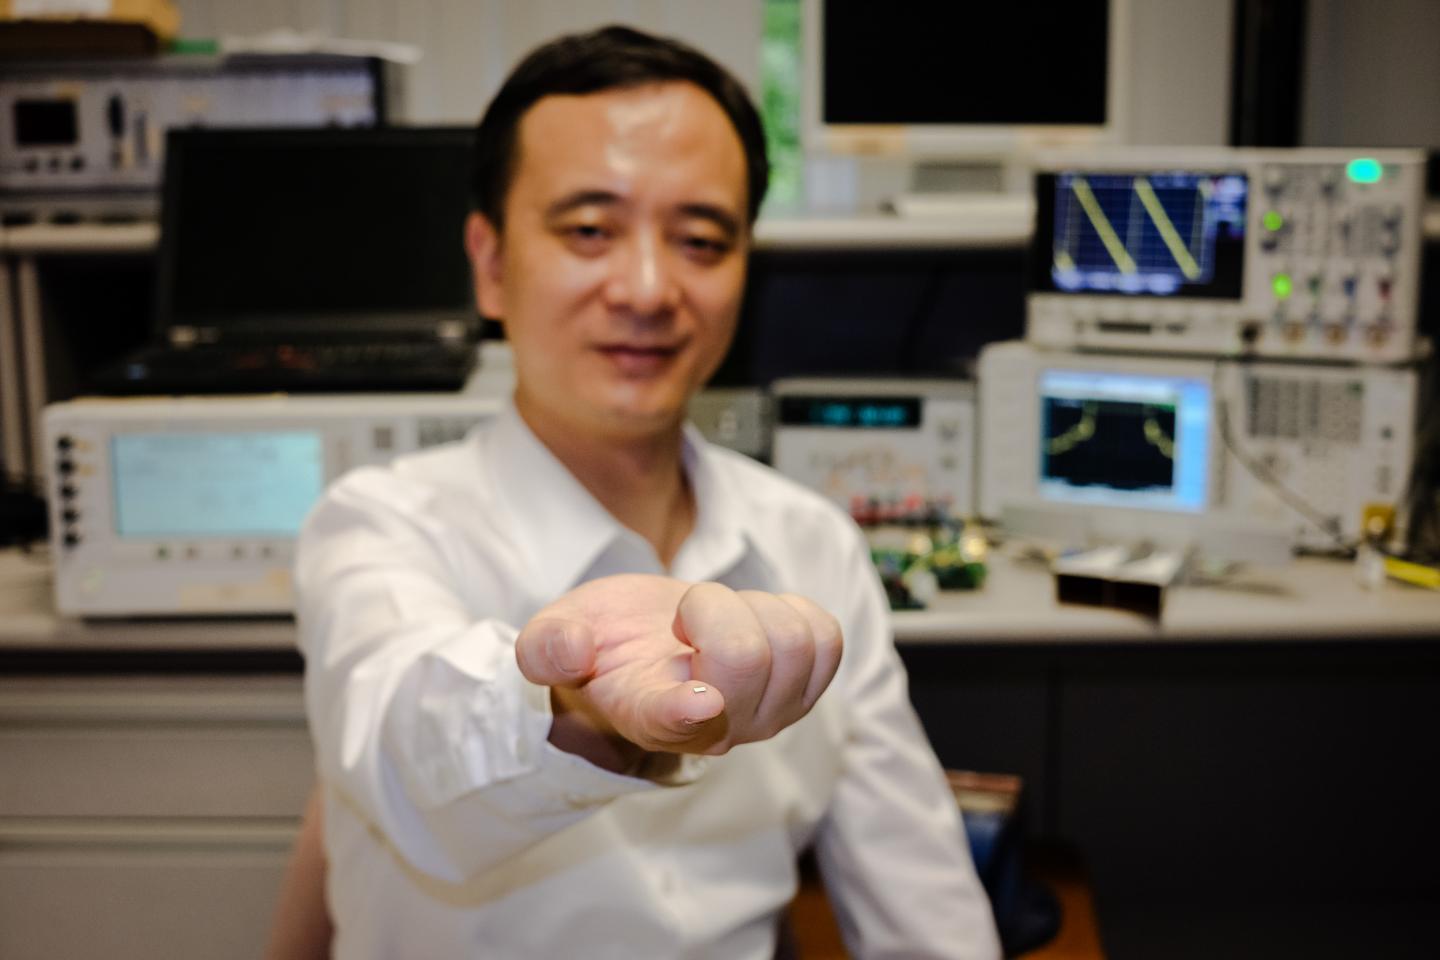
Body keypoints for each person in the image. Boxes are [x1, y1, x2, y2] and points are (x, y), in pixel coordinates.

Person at [290, 24, 1001, 959]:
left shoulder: (812, 544)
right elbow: (403, 742)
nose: (650, 288)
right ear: (492, 263)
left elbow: (920, 898)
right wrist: (580, 713)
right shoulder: (379, 521)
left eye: (702, 239)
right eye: (589, 230)